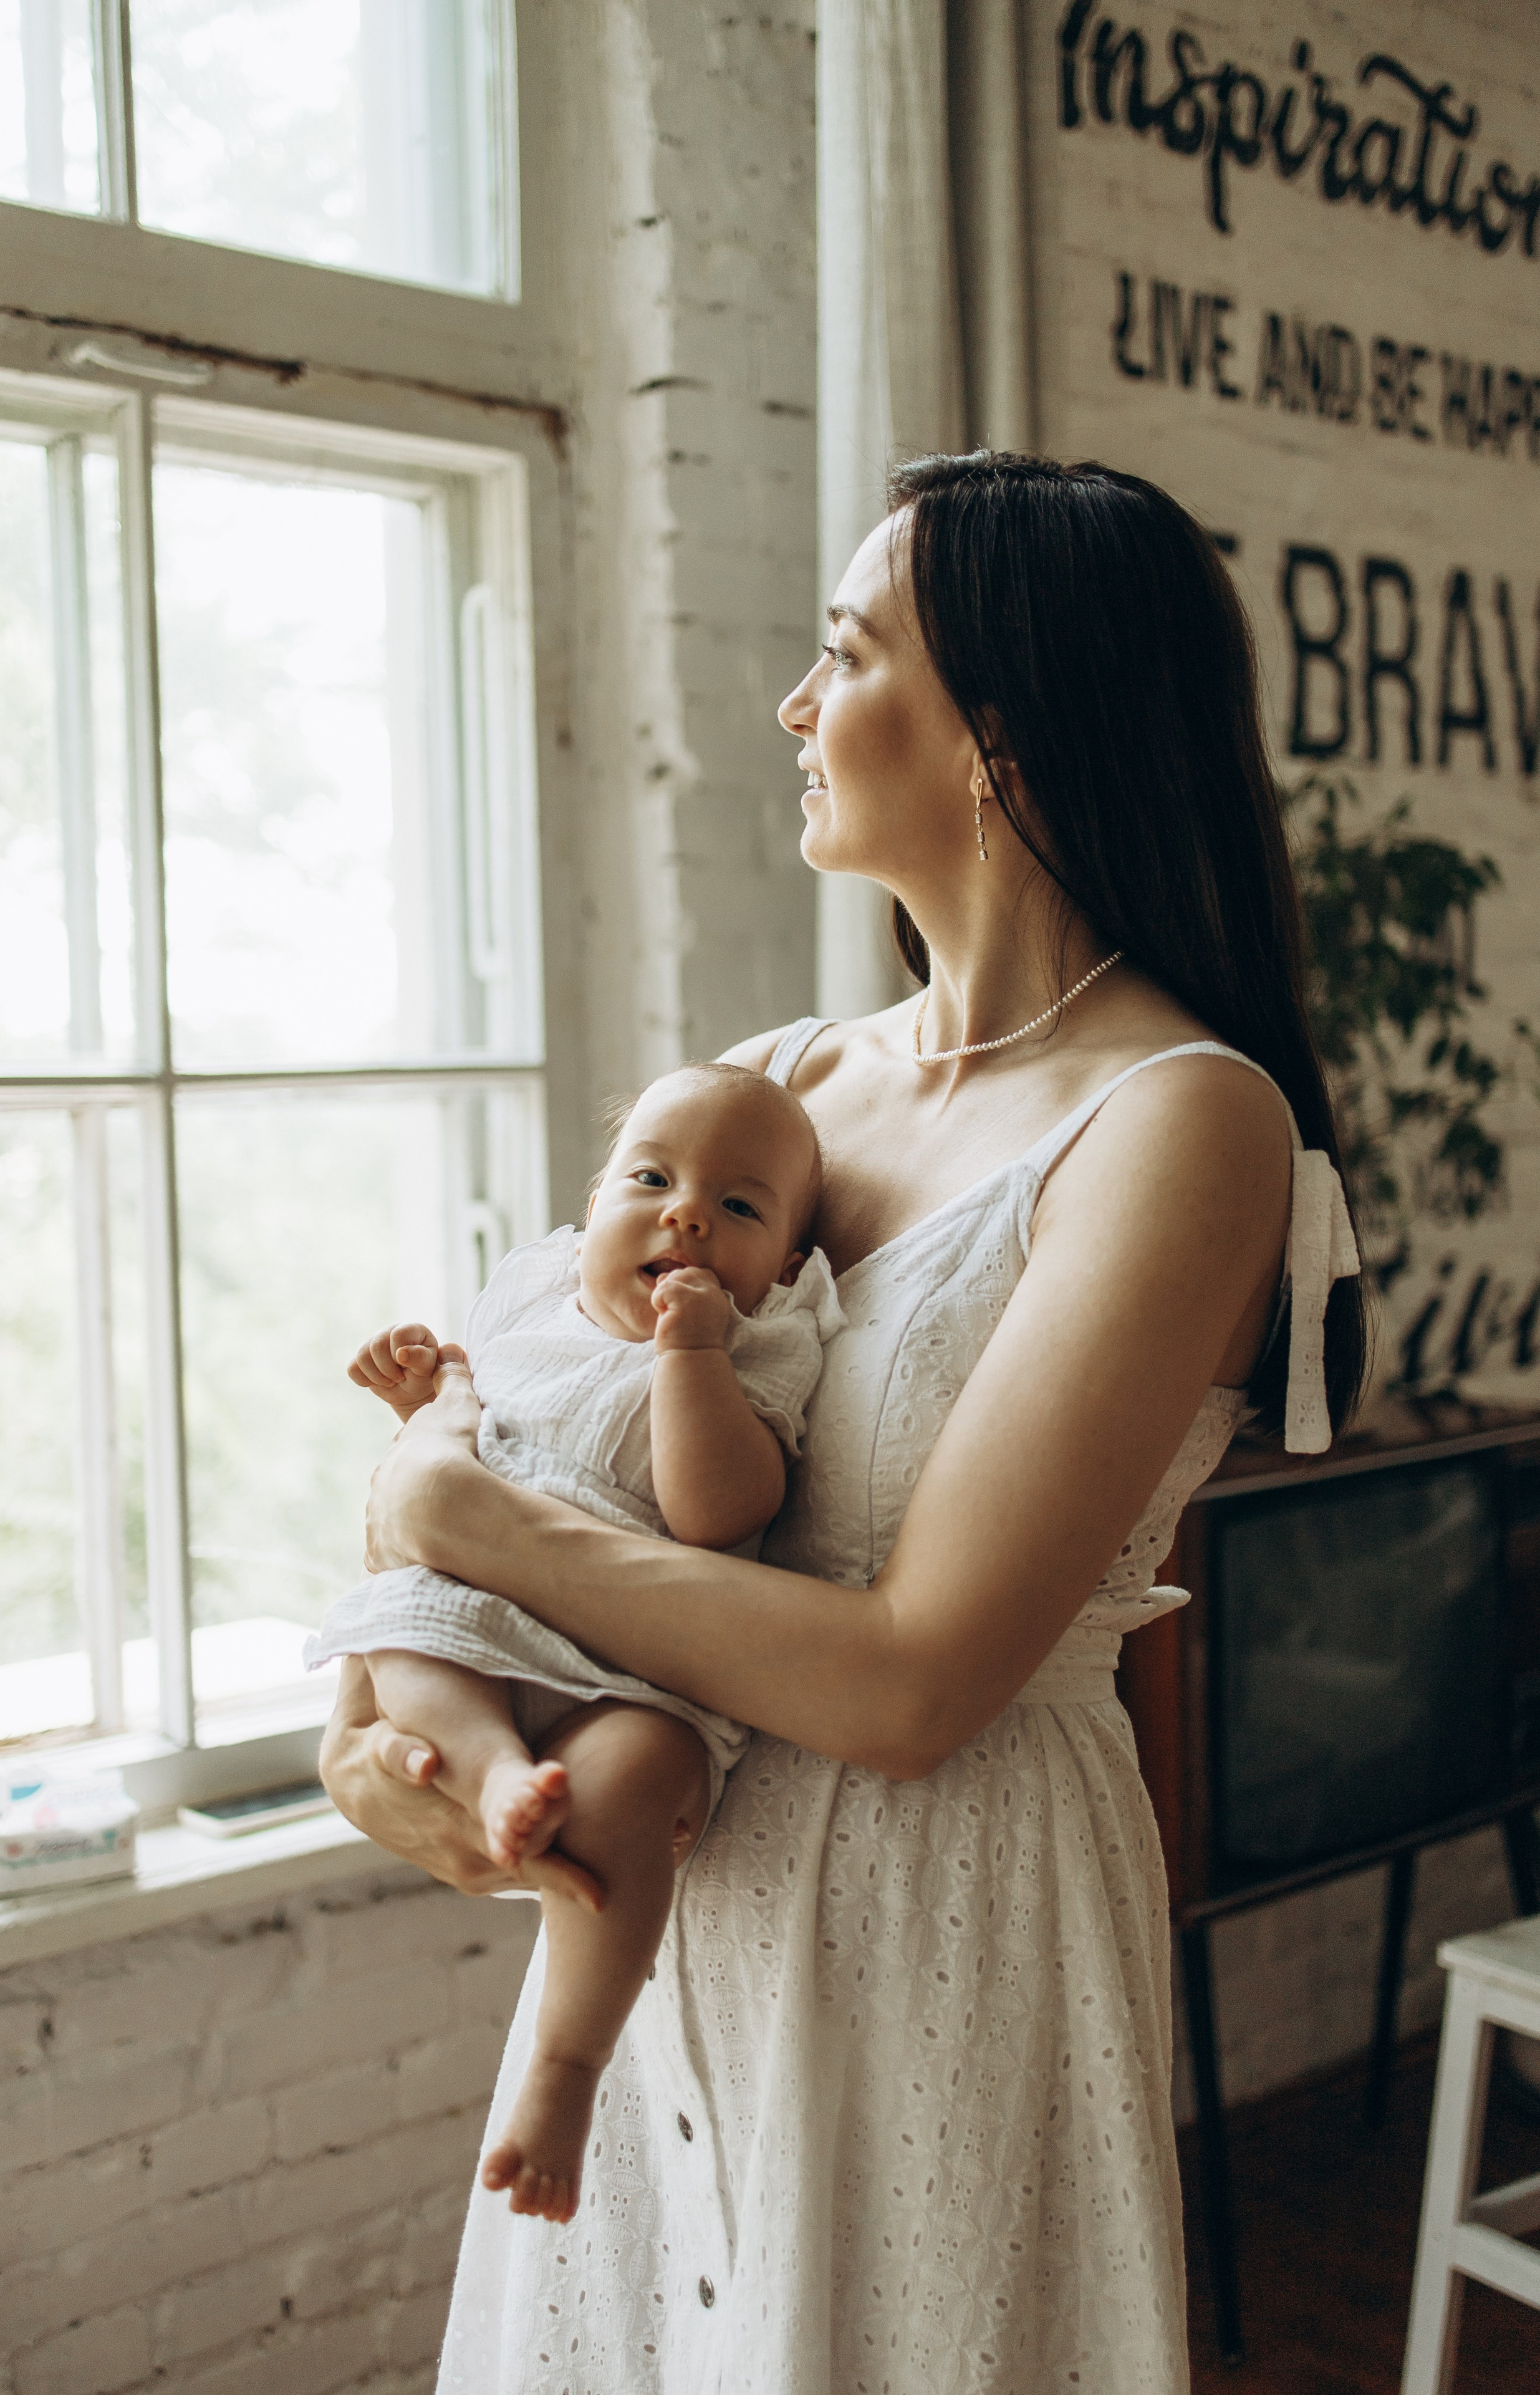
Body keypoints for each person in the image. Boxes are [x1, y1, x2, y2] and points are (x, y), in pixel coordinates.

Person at [320, 451, 1367, 2393]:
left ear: (1002, 736)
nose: (795, 709)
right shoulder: (779, 1086)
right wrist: (387, 1732)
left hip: (947, 1933)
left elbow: (912, 1684)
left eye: (843, 652)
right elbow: (539, 1426)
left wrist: (460, 1526)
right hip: (663, 1936)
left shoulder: (1184, 1121)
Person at [309, 1063, 841, 2225]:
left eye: (739, 1209)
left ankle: (566, 2071)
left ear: (790, 1271)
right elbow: (447, 1459)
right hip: (479, 1621)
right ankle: (494, 1767)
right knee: (409, 1633)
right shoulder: (529, 1309)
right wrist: (417, 1403)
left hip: (633, 1667)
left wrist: (690, 1358)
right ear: (594, 1202)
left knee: (638, 1779)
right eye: (651, 1180)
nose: (687, 1213)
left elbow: (718, 1511)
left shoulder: (760, 1356)